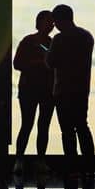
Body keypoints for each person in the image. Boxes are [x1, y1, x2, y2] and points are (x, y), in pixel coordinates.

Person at [46, 4, 95, 175]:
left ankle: (72, 167)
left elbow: (50, 62)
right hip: (82, 89)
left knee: (67, 131)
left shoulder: (59, 40)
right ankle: (89, 167)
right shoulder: (86, 36)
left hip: (62, 90)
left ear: (60, 20)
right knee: (82, 126)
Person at [13, 10, 56, 168]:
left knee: (34, 125)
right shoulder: (46, 43)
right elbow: (17, 64)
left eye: (51, 22)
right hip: (37, 89)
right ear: (39, 23)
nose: (51, 25)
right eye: (48, 22)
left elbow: (18, 64)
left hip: (32, 88)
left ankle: (22, 161)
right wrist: (39, 63)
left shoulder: (30, 41)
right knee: (34, 125)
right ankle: (35, 161)